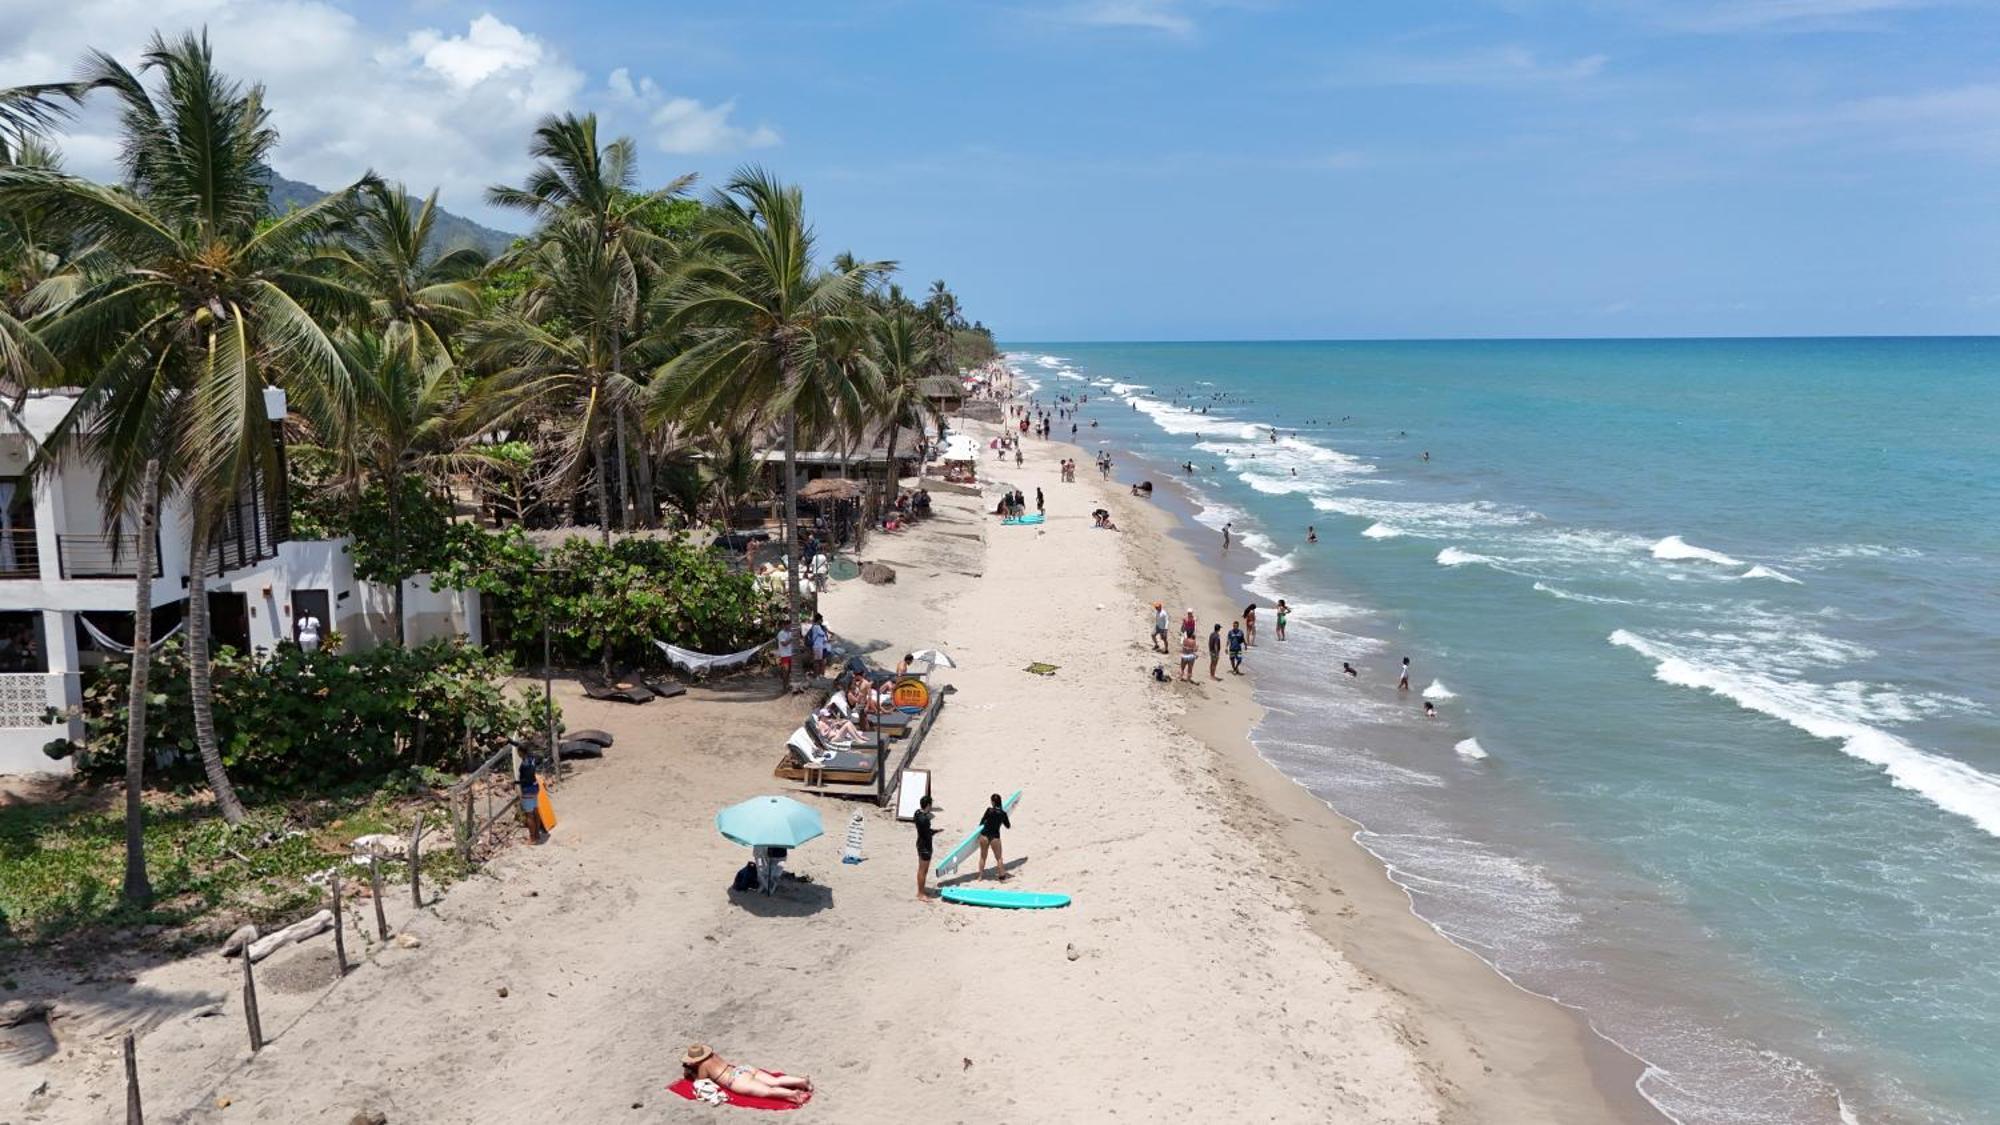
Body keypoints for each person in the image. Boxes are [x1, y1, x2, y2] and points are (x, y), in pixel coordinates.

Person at [682, 1044, 812, 1106]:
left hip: (735, 1080)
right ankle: (800, 1081)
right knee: (774, 1081)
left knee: (768, 1091)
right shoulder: (713, 1055)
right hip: (743, 1069)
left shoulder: (703, 1066)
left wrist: (692, 1073)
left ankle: (793, 1094)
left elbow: (700, 1080)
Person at [977, 793, 1011, 881]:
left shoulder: (989, 810)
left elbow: (982, 822)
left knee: (983, 857)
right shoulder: (1003, 813)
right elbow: (1008, 826)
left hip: (984, 835)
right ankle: (1002, 876)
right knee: (999, 858)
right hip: (995, 837)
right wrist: (1001, 819)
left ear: (993, 802)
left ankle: (980, 876)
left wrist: (986, 823)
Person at [517, 752, 546, 844]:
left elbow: (526, 779)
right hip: (535, 788)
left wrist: (516, 782)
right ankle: (537, 835)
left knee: (529, 815)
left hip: (528, 790)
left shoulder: (524, 765)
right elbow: (523, 747)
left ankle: (532, 838)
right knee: (535, 811)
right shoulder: (532, 758)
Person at [914, 794, 938, 901]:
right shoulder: (925, 819)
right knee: (923, 870)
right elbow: (928, 833)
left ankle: (921, 890)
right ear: (928, 805)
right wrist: (936, 831)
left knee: (921, 869)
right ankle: (921, 894)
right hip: (925, 846)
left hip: (919, 843)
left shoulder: (917, 813)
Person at [775, 621, 796, 691]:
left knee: (789, 671)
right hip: (784, 655)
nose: (790, 627)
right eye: (789, 625)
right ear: (785, 625)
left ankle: (787, 685)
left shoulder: (790, 633)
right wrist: (791, 639)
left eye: (790, 625)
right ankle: (784, 687)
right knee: (785, 671)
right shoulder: (781, 633)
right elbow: (784, 644)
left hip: (790, 654)